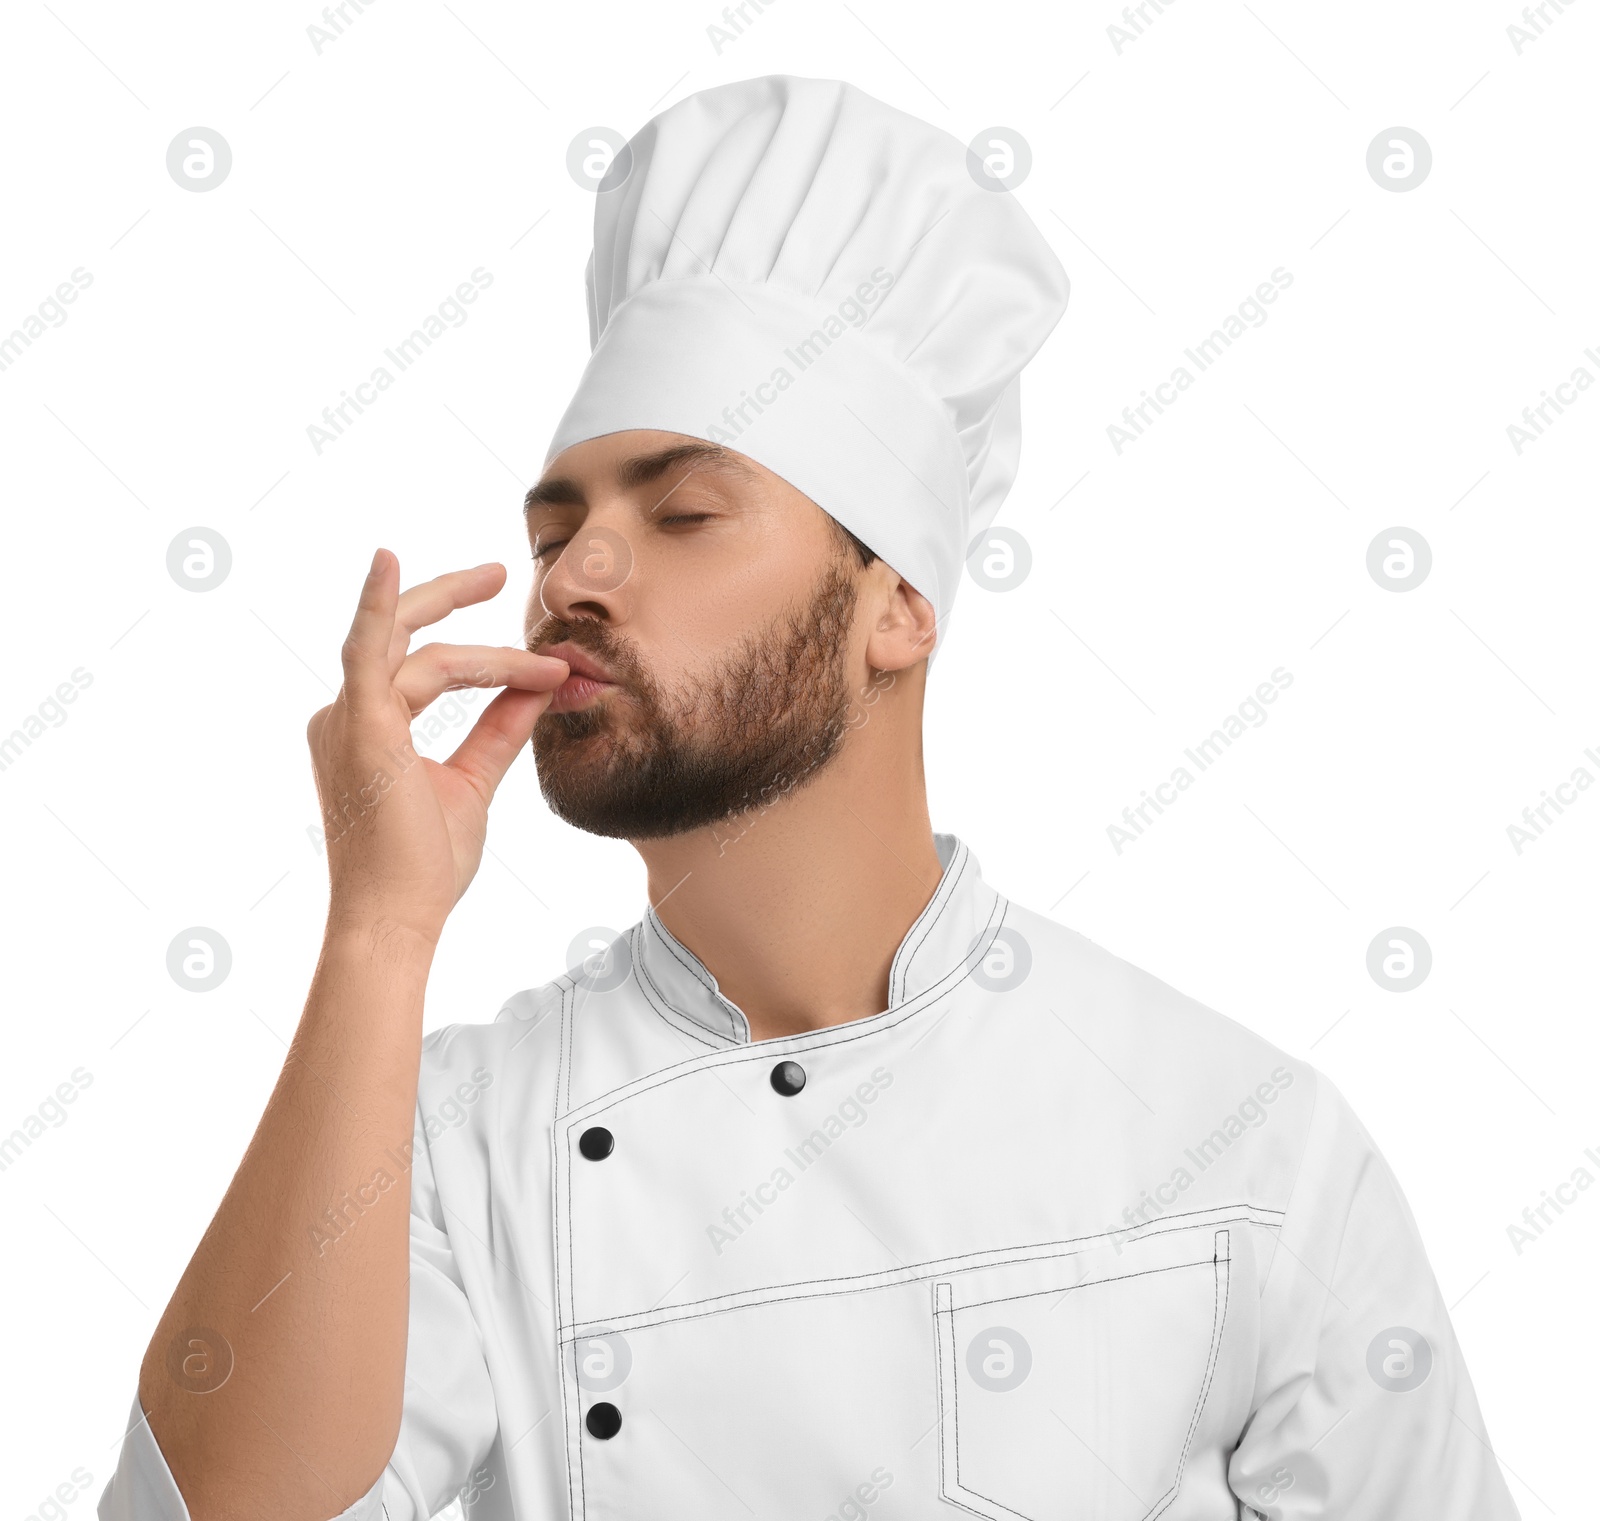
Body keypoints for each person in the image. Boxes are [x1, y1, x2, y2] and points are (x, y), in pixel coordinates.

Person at [100, 74, 1520, 1521]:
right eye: (557, 527)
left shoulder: (1243, 1146)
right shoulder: (458, 1136)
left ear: (895, 605)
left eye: (683, 510)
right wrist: (379, 931)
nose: (572, 577)